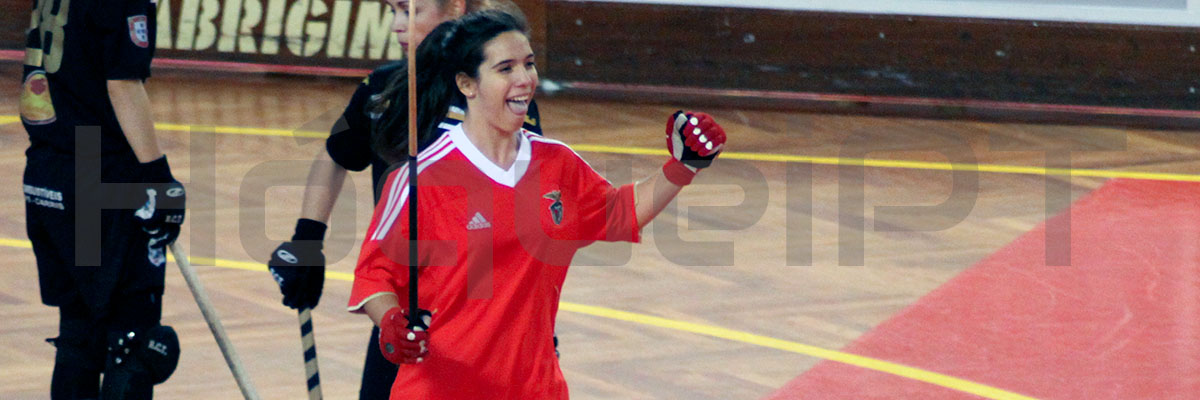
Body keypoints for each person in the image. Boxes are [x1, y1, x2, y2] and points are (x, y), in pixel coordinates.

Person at [348, 10, 727, 398]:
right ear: (467, 84)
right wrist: (392, 322)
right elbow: (374, 275)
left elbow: (620, 213)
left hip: (536, 389)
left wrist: (683, 166)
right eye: (506, 68)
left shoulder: (557, 163)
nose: (524, 80)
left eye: (528, 64)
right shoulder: (420, 178)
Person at [264, 1, 542, 398]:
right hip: (403, 308)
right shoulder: (381, 89)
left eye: (410, 10)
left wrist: (534, 324)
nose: (396, 26)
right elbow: (336, 153)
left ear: (455, 8)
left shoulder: (498, 93)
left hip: (482, 310)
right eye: (392, 10)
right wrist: (307, 238)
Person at [21, 0, 185, 398]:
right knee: (133, 341)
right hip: (99, 171)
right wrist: (156, 177)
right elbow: (123, 84)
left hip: (48, 165)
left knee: (80, 335)